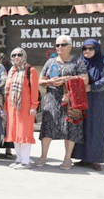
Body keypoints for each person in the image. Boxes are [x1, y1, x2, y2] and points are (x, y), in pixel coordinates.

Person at [38, 35, 90, 170]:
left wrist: (69, 78)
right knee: (47, 126)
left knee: (70, 128)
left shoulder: (77, 62)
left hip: (71, 100)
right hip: (52, 98)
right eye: (57, 45)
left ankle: (67, 159)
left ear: (70, 46)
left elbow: (85, 79)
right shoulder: (50, 62)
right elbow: (41, 81)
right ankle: (43, 156)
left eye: (62, 44)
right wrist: (50, 82)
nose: (59, 47)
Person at [72, 38, 104, 171]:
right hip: (82, 98)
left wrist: (92, 87)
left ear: (96, 49)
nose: (87, 51)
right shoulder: (79, 62)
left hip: (99, 99)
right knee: (82, 126)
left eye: (91, 48)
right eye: (85, 48)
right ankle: (83, 158)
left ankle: (95, 159)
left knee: (97, 127)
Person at [3, 48, 39, 170]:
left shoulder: (31, 71)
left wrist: (34, 106)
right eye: (13, 55)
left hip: (25, 108)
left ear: (24, 56)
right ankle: (19, 159)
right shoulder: (12, 71)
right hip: (12, 108)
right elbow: (7, 93)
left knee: (24, 134)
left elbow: (34, 91)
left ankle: (25, 161)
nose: (16, 57)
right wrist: (5, 108)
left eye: (19, 54)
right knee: (15, 134)